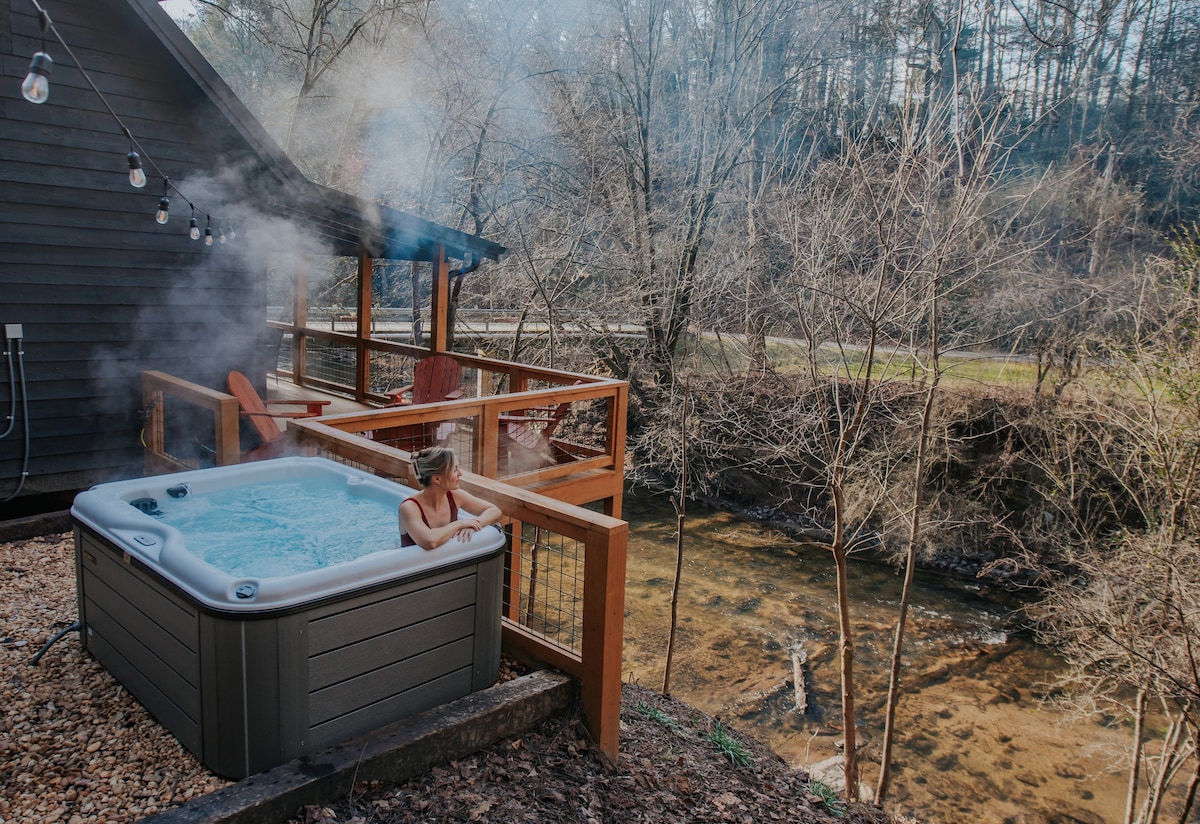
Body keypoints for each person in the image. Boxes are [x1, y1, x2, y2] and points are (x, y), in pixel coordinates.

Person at [400, 446, 501, 549]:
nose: (460, 473)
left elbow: (494, 510)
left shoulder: (454, 495)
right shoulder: (409, 508)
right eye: (455, 470)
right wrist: (460, 524)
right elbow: (430, 541)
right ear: (437, 479)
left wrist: (475, 525)